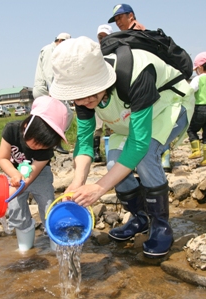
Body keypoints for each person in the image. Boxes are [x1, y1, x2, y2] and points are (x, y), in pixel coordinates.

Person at [50, 37, 195, 258]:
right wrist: (77, 182)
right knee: (113, 165)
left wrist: (99, 189)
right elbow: (85, 140)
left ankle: (160, 225)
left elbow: (138, 144)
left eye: (89, 94)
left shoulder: (136, 71)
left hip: (167, 108)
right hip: (126, 121)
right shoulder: (82, 98)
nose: (84, 101)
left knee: (145, 157)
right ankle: (140, 218)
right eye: (77, 97)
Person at [0, 96, 68, 251]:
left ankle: (53, 237)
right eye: (37, 142)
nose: (39, 147)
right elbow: (3, 158)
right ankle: (25, 238)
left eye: (45, 145)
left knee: (48, 205)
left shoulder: (46, 150)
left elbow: (31, 176)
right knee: (15, 208)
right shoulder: (11, 130)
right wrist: (14, 174)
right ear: (27, 125)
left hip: (38, 175)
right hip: (14, 172)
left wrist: (21, 182)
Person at [33, 32, 74, 154]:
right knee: (66, 113)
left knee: (46, 120)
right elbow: (49, 73)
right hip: (46, 90)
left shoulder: (52, 50)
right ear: (60, 41)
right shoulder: (49, 50)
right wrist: (54, 91)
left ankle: (48, 143)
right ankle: (55, 142)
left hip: (47, 90)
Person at [94, 24, 114, 162]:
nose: (103, 39)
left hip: (112, 93)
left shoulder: (116, 50)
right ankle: (96, 151)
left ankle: (112, 152)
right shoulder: (94, 52)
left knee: (112, 125)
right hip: (97, 92)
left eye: (106, 37)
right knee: (97, 125)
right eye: (100, 37)